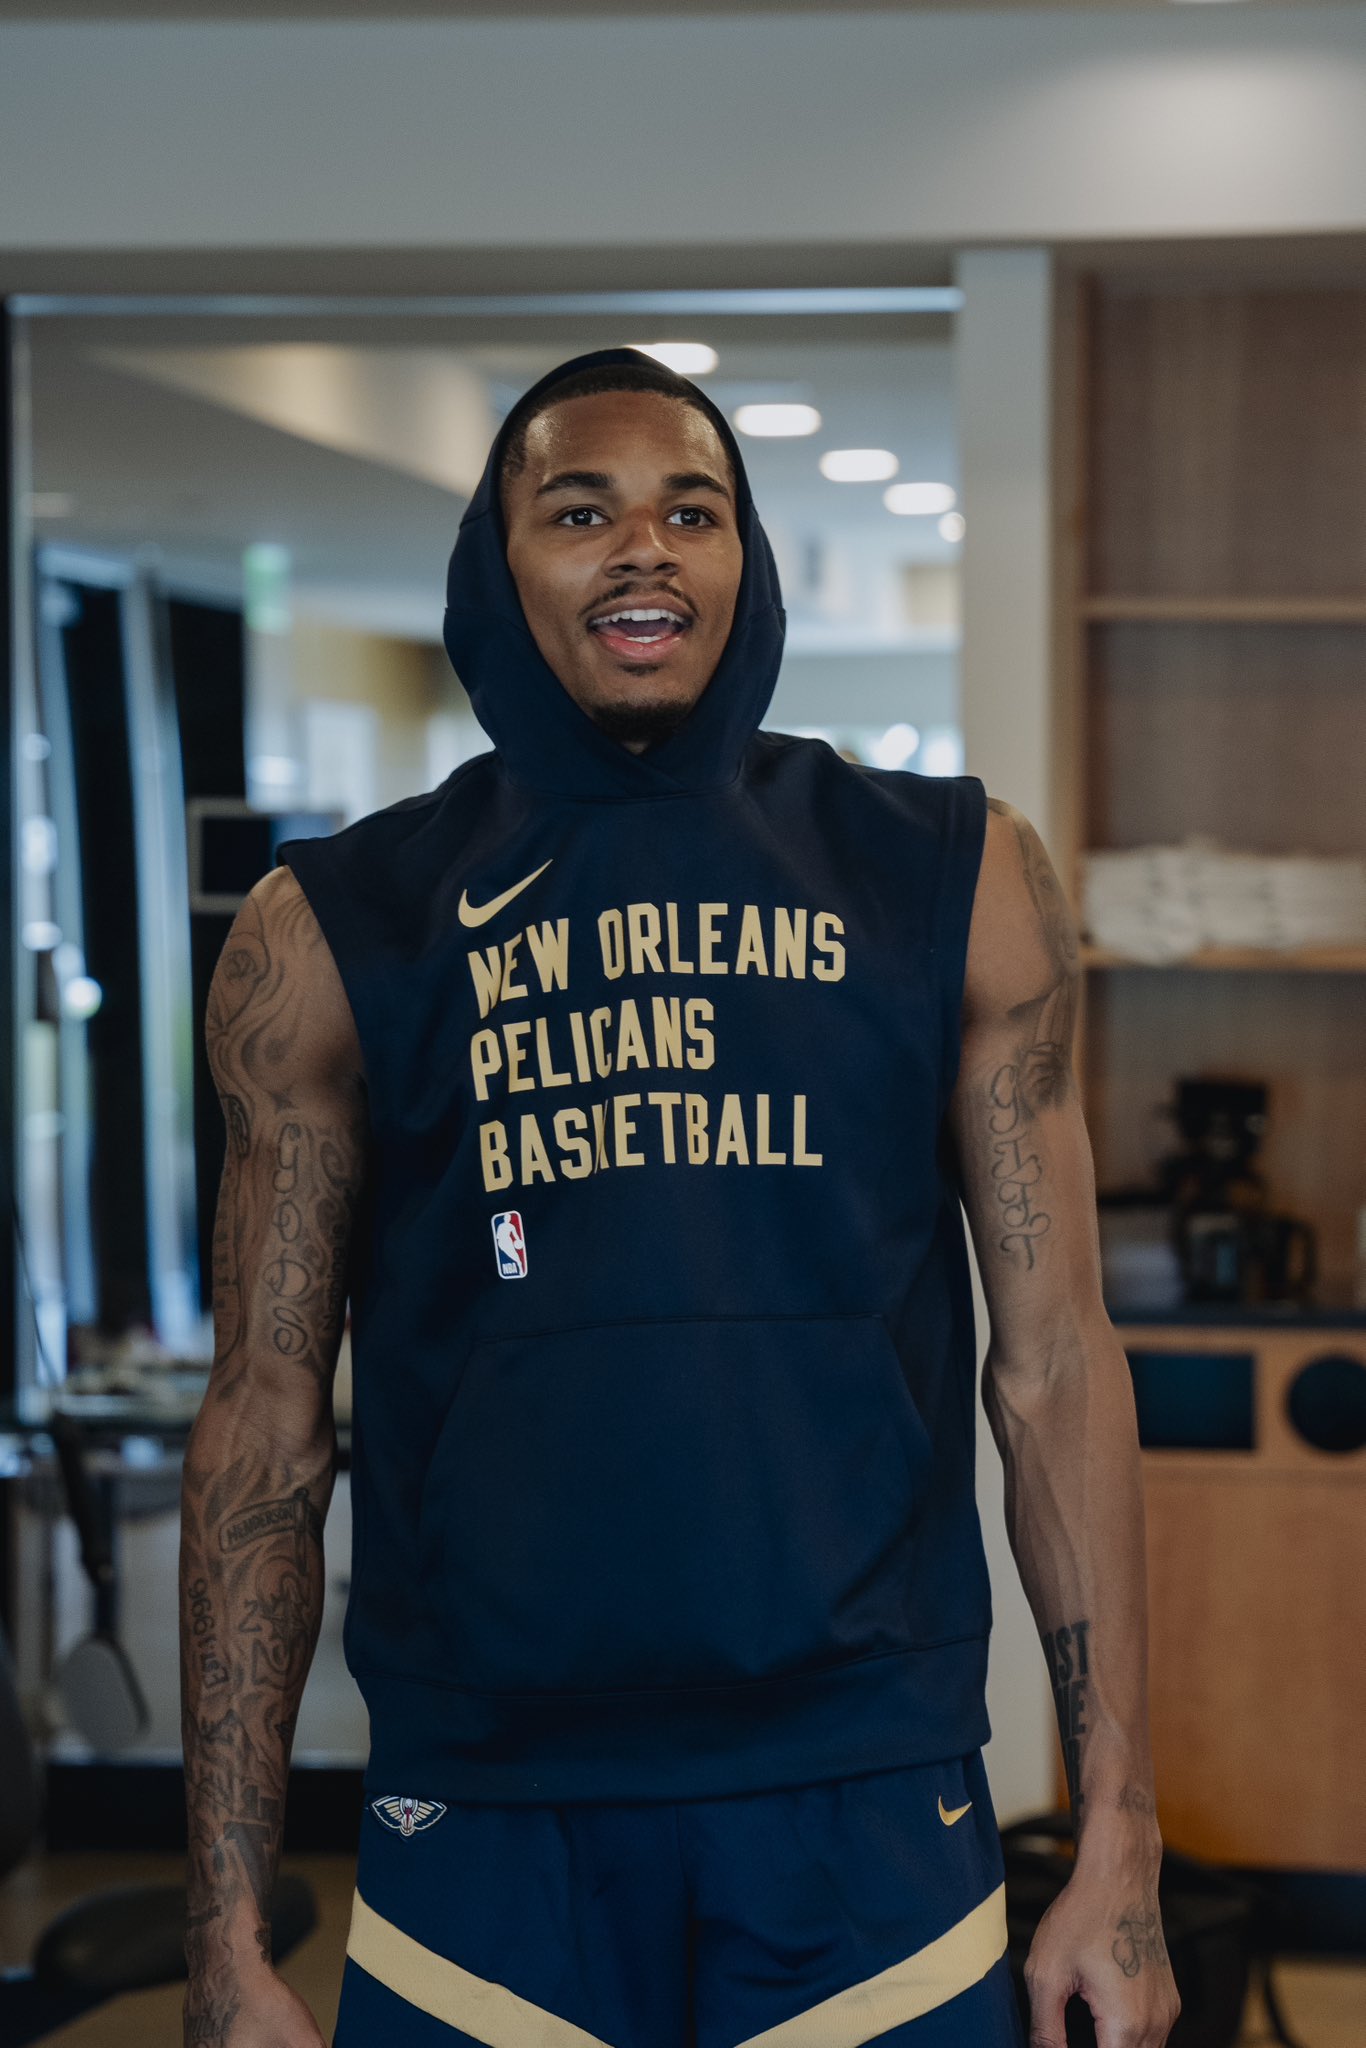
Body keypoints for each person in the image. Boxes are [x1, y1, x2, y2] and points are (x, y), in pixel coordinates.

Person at [178, 347, 1180, 2048]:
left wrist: (1120, 1841)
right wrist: (221, 1924)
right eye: (580, 512)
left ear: (744, 558)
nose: (643, 546)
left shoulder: (949, 874)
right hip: (485, 1810)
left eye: (691, 512)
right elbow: (263, 1420)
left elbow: (1055, 1367)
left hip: (862, 1799)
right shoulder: (336, 927)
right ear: (497, 565)